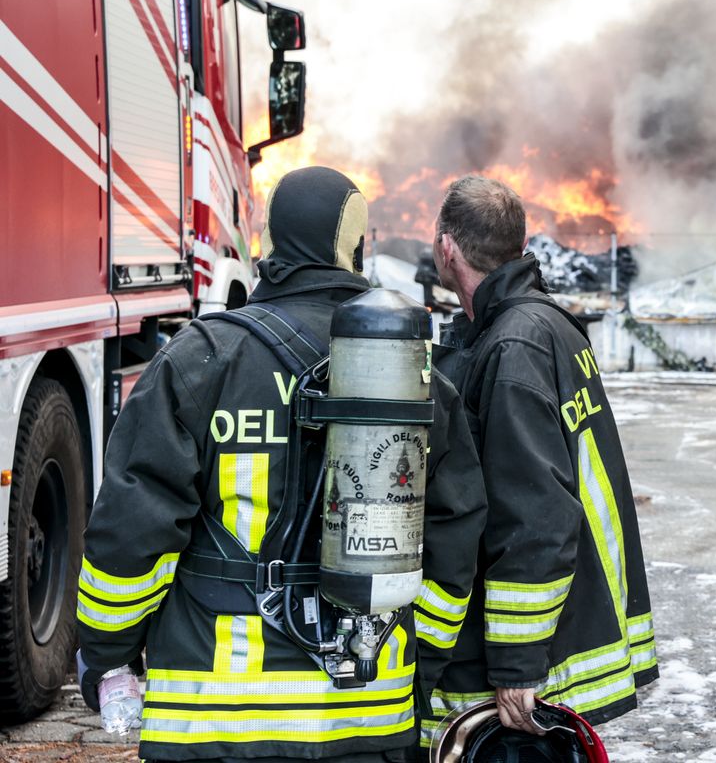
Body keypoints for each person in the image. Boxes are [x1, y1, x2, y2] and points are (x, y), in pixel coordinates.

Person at [76, 166, 488, 761]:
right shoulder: (413, 375)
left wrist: (107, 654)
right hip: (367, 715)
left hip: (214, 721)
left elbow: (133, 527)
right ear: (354, 248)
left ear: (269, 244)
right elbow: (454, 534)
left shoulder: (201, 359)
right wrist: (419, 661)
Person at [424, 175, 657, 747]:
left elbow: (535, 512)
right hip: (575, 614)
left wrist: (517, 662)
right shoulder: (546, 324)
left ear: (447, 247)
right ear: (520, 246)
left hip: (540, 648)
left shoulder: (514, 345)